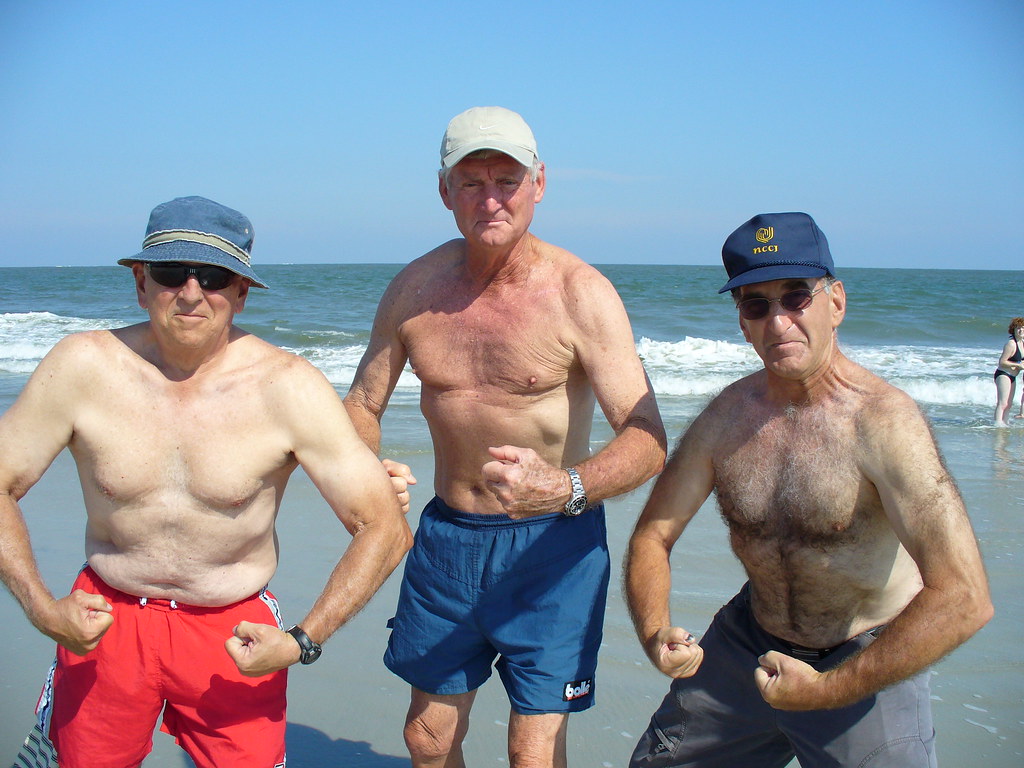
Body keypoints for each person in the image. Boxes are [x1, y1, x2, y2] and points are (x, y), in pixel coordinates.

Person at [1, 196, 412, 768]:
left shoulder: (287, 387)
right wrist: (44, 610)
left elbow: (384, 528)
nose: (191, 293)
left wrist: (302, 640)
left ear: (241, 292)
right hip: (103, 623)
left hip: (234, 634)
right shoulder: (82, 367)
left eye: (214, 277)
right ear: (141, 282)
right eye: (172, 272)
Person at [343, 106, 667, 768]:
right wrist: (363, 469)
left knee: (532, 752)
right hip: (447, 542)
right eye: (471, 182)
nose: (490, 199)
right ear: (445, 192)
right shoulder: (413, 289)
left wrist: (565, 486)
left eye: (507, 180)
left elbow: (648, 438)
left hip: (554, 547)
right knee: (427, 739)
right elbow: (363, 403)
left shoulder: (581, 293)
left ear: (539, 183)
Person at [625, 212, 993, 768]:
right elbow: (653, 536)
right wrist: (656, 634)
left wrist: (824, 690)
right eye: (756, 305)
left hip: (864, 662)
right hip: (745, 648)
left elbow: (965, 597)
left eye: (796, 297)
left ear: (835, 302)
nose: (778, 322)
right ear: (743, 322)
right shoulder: (726, 419)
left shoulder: (885, 425)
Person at [993, 316, 1024, 425]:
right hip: (1003, 374)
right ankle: (997, 425)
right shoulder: (1011, 344)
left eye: (1023, 328)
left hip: (1013, 376)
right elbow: (1002, 362)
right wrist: (1018, 365)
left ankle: (1005, 424)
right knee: (1002, 403)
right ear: (1013, 330)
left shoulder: (1022, 344)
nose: (1021, 330)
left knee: (1009, 404)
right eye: (1018, 328)